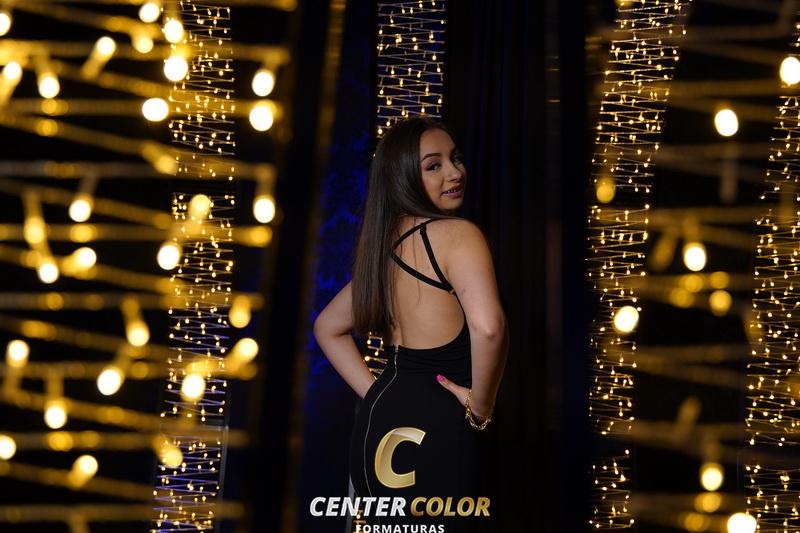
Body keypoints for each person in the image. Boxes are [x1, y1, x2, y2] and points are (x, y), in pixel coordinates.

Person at [313, 116, 508, 531]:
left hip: (379, 426)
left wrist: (378, 395)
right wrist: (481, 407)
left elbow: (326, 327)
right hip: (435, 430)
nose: (455, 172)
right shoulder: (458, 235)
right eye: (433, 165)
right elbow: (489, 328)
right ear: (403, 176)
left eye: (455, 159)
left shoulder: (384, 247)